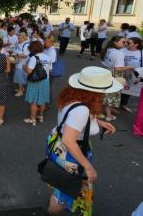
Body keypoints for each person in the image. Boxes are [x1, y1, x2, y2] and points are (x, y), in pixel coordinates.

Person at [46, 66, 120, 215]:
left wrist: (98, 122)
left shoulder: (73, 97)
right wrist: (88, 167)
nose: (105, 93)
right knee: (65, 193)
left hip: (58, 143)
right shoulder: (82, 109)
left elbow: (73, 120)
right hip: (71, 152)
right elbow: (69, 140)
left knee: (61, 183)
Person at [101, 36, 135, 121]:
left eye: (126, 42)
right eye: (123, 42)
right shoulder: (119, 53)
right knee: (111, 95)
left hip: (107, 73)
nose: (126, 44)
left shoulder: (108, 49)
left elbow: (105, 63)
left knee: (108, 93)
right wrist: (129, 67)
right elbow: (118, 68)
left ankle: (108, 110)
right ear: (115, 42)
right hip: (115, 74)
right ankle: (108, 115)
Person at [23, 41, 51, 126]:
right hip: (45, 81)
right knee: (42, 100)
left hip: (35, 81)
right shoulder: (47, 57)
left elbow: (29, 70)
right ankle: (41, 116)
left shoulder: (34, 58)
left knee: (34, 101)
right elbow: (50, 70)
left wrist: (24, 67)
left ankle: (32, 119)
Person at [120, 37, 142, 112]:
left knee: (128, 90)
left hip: (134, 74)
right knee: (118, 89)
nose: (126, 44)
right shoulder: (122, 50)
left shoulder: (141, 52)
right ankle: (113, 105)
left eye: (129, 43)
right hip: (121, 73)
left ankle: (123, 104)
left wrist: (139, 77)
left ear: (136, 44)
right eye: (126, 42)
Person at [13, 32, 30, 97]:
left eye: (19, 38)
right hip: (18, 63)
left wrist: (16, 54)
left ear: (23, 37)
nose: (18, 39)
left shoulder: (26, 45)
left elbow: (25, 55)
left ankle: (20, 91)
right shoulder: (19, 43)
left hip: (23, 64)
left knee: (20, 77)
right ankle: (21, 88)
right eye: (18, 37)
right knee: (19, 77)